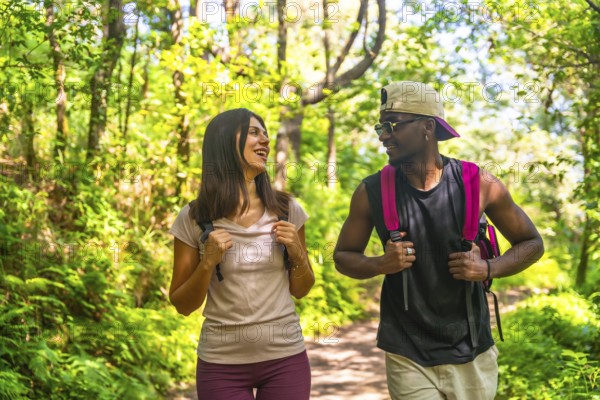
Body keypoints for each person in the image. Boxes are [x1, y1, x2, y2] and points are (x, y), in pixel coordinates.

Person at [333, 81, 544, 400]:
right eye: (381, 126)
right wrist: (381, 264)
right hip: (407, 353)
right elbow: (344, 256)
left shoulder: (480, 184)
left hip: (472, 352)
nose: (382, 135)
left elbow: (531, 243)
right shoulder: (371, 191)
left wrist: (487, 268)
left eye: (391, 125)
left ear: (427, 127)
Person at [168, 108, 314, 400]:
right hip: (220, 365)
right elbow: (183, 304)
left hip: (285, 359)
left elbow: (302, 288)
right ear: (224, 141)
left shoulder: (287, 210)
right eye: (253, 132)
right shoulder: (195, 217)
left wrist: (297, 254)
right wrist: (207, 263)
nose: (265, 141)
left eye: (266, 134)